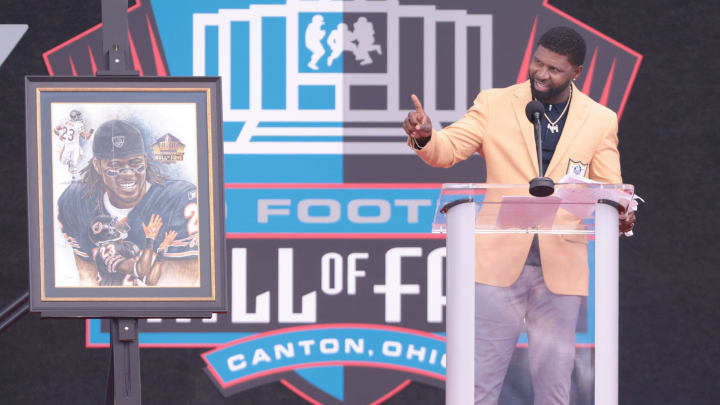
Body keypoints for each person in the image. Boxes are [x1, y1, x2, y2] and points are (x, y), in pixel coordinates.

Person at [402, 26, 635, 404]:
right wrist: (426, 136)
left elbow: (609, 189)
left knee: (556, 386)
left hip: (561, 268)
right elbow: (447, 150)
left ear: (577, 72)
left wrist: (620, 214)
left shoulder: (600, 119)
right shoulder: (495, 103)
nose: (541, 74)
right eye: (537, 63)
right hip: (498, 265)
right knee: (479, 382)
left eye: (554, 69)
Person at [57, 119, 200, 287]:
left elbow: (179, 289)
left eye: (135, 164)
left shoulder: (177, 199)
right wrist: (151, 241)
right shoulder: (76, 203)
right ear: (97, 165)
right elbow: (87, 280)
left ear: (145, 161)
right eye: (115, 165)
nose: (128, 174)